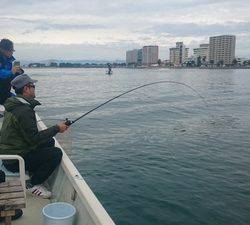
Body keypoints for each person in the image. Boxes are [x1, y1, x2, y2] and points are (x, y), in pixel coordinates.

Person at [0, 74, 69, 199]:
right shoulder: (24, 110)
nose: (34, 88)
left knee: (49, 142)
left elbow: (31, 137)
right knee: (56, 153)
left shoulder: (15, 105)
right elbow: (34, 139)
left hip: (13, 151)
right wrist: (57, 128)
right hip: (14, 160)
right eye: (33, 86)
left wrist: (55, 130)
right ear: (26, 88)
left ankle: (31, 171)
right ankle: (32, 184)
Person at [0, 38, 24, 105]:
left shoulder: (9, 61)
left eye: (12, 50)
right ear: (2, 50)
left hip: (5, 93)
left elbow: (11, 78)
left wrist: (18, 73)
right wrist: (11, 72)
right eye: (10, 50)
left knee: (21, 102)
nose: (12, 52)